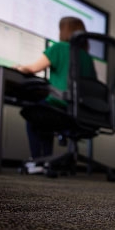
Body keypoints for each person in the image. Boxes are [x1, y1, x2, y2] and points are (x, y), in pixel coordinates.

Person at [14, 16, 96, 159]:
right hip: (81, 112)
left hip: (60, 106)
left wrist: (18, 67)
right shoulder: (87, 57)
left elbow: (33, 68)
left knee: (35, 115)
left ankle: (38, 159)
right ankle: (46, 159)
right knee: (46, 117)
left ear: (64, 32)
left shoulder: (59, 48)